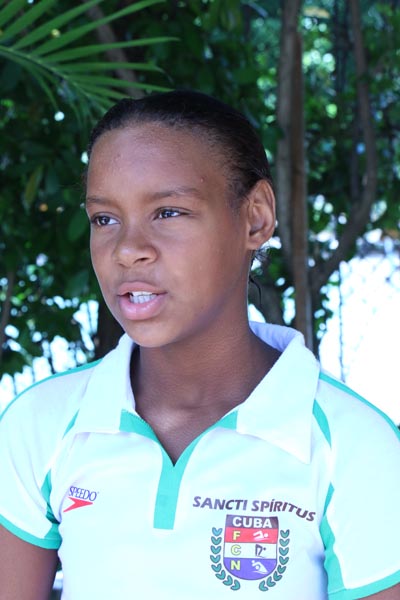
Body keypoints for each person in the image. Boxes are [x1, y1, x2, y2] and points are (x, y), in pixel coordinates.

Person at [0, 90, 399, 600]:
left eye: (168, 212)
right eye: (105, 219)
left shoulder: (352, 446)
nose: (128, 250)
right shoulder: (44, 423)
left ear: (256, 218)